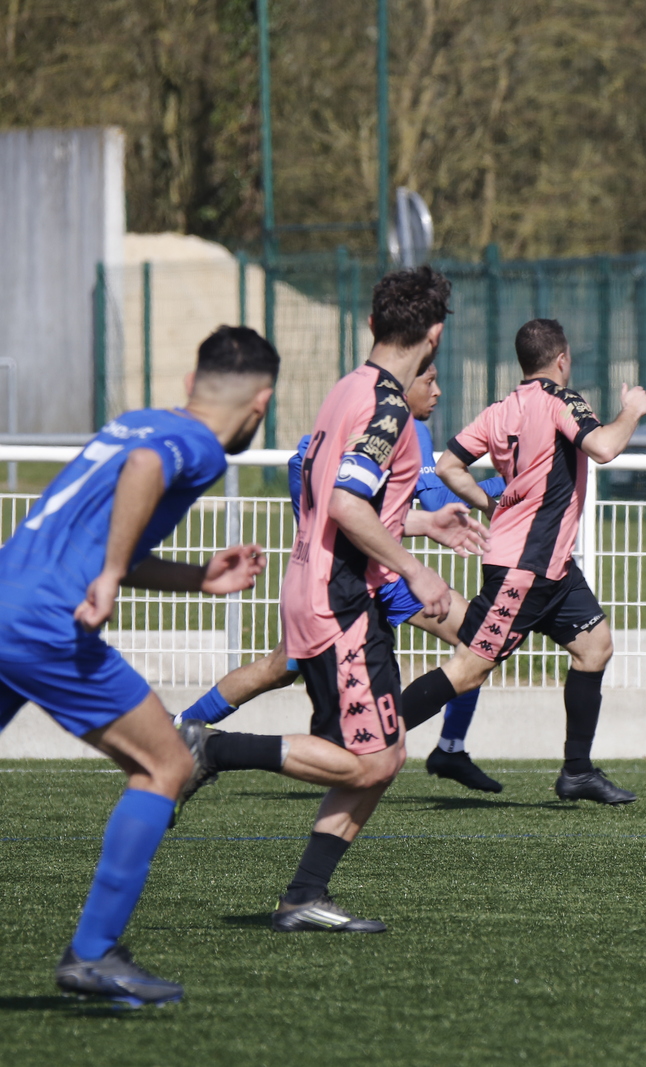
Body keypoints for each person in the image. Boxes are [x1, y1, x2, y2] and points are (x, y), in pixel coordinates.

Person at [180, 266, 485, 933]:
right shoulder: (389, 405)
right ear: (435, 335)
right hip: (339, 600)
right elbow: (346, 504)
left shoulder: (348, 388)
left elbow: (339, 498)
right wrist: (417, 571)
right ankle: (210, 750)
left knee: (379, 758)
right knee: (372, 759)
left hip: (323, 589)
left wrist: (422, 522)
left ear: (372, 324)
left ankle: (304, 895)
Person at [0, 326, 277, 1005]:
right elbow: (146, 470)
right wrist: (111, 576)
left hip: (9, 595)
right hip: (45, 623)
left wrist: (196, 578)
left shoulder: (135, 422)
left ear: (189, 383)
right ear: (262, 403)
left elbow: (105, 527)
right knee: (167, 765)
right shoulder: (197, 445)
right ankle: (93, 953)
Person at [177, 360, 508, 793]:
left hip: (343, 575)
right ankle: (187, 734)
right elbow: (430, 501)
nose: (437, 391)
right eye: (429, 380)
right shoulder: (399, 423)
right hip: (354, 581)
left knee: (283, 668)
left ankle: (182, 729)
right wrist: (510, 483)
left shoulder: (356, 414)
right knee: (478, 640)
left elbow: (360, 507)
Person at [395, 317, 646, 805]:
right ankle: (369, 741)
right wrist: (632, 410)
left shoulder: (501, 410)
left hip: (553, 567)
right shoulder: (563, 399)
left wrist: (488, 503)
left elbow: (449, 464)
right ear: (562, 359)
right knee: (468, 670)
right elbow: (604, 447)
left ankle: (577, 772)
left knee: (594, 647)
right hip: (524, 568)